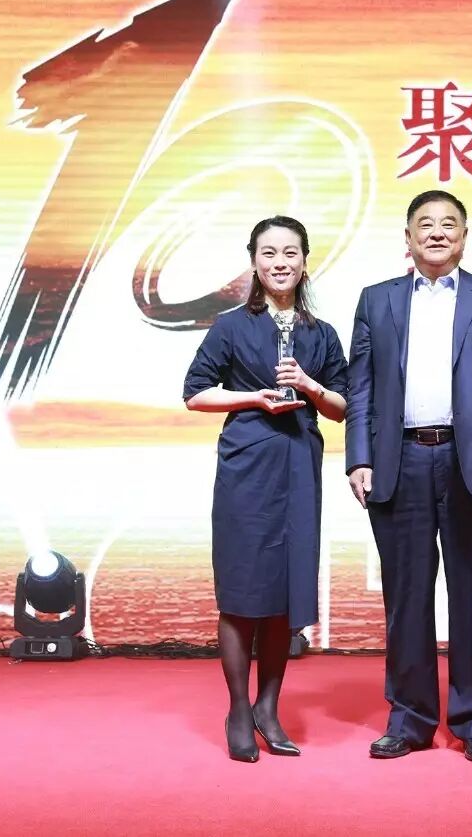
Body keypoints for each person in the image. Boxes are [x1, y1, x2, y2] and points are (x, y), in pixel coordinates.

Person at [345, 190, 472, 762]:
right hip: (399, 460)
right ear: (407, 238)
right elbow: (361, 389)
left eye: (449, 223)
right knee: (406, 596)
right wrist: (359, 457)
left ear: (465, 237)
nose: (437, 232)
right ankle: (410, 719)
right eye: (424, 224)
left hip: (471, 462)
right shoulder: (377, 300)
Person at [183, 216, 348, 763]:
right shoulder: (231, 326)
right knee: (242, 593)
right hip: (247, 466)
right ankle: (238, 708)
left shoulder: (322, 334)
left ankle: (268, 706)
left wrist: (310, 385)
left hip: (298, 464)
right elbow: (195, 394)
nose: (280, 262)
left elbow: (344, 406)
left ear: (305, 261)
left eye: (290, 252)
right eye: (269, 252)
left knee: (284, 593)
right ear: (254, 261)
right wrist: (254, 397)